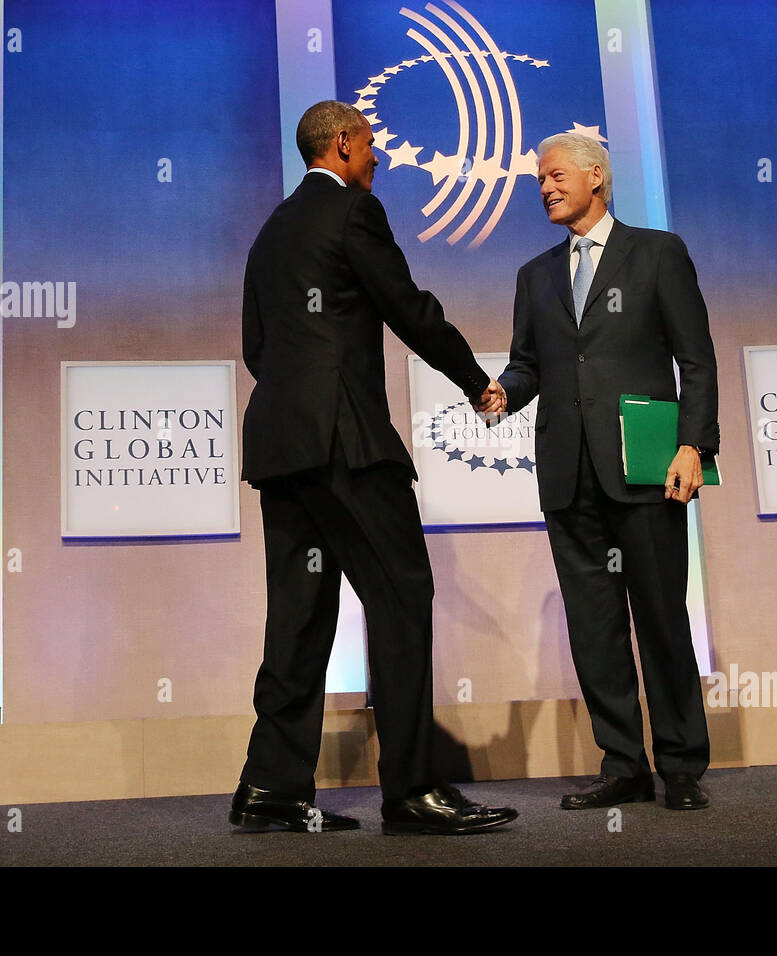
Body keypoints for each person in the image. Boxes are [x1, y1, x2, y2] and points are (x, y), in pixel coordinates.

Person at [230, 100, 517, 835]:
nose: (379, 157)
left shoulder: (269, 233)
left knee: (299, 610)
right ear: (345, 144)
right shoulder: (355, 213)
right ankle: (414, 788)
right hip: (344, 442)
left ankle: (272, 788)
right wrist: (474, 379)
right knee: (401, 593)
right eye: (372, 144)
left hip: (281, 446)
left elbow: (258, 349)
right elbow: (408, 308)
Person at [493, 133, 718, 811]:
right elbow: (529, 364)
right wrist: (503, 390)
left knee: (660, 617)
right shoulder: (534, 275)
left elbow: (697, 359)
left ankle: (680, 766)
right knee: (593, 627)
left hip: (645, 469)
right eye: (539, 180)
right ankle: (623, 763)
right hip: (569, 474)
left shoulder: (657, 253)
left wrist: (694, 447)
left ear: (596, 177)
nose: (545, 188)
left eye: (556, 176)